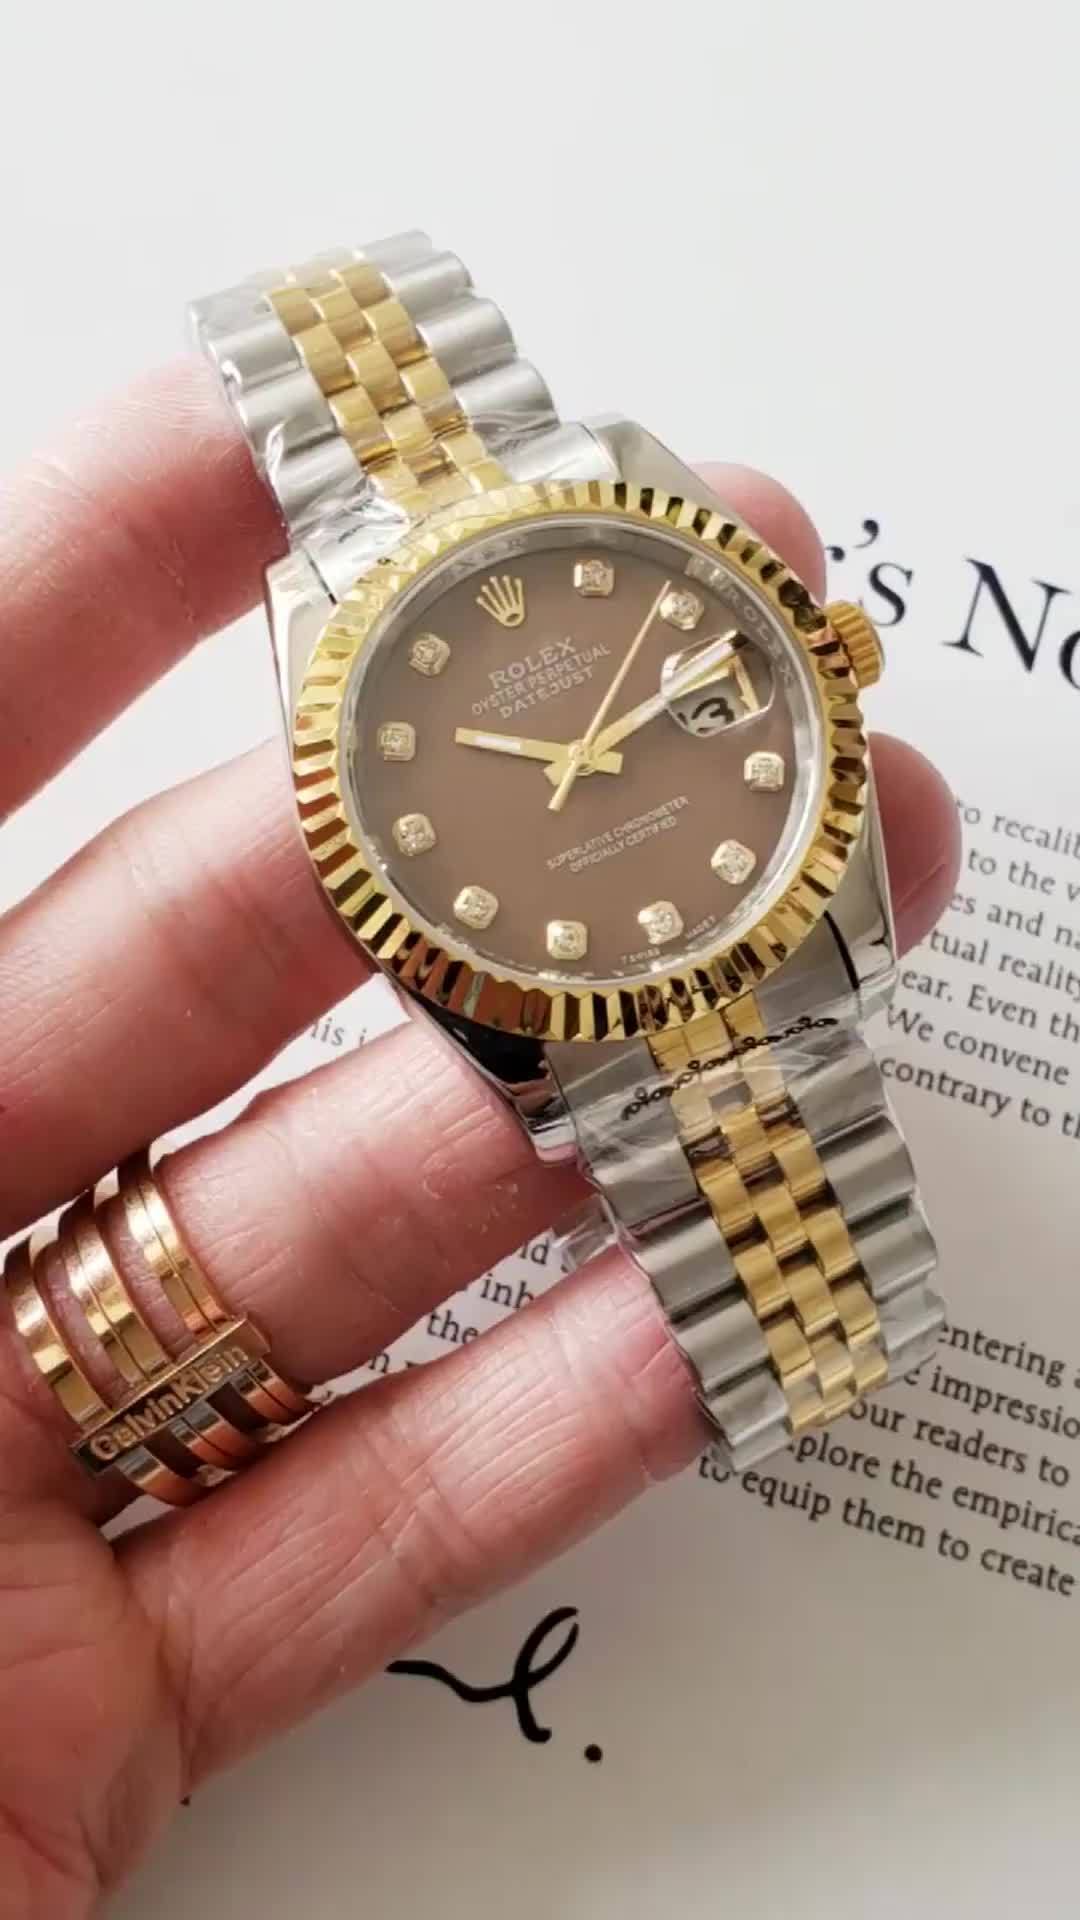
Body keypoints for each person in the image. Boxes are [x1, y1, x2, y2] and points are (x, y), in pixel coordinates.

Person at [0, 356, 960, 1911]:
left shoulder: (631, 508)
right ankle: (819, 1320)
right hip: (596, 976)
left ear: (821, 656)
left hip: (732, 912)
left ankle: (824, 1311)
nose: (584, 771)